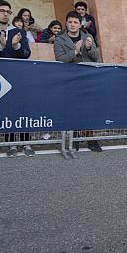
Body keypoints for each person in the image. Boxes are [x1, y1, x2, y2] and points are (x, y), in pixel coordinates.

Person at [0, 0, 33, 156]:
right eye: (2, 11)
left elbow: (26, 55)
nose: (5, 14)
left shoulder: (19, 32)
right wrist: (0, 47)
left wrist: (16, 45)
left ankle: (26, 143)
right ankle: (11, 144)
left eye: (8, 12)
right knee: (7, 111)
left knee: (23, 109)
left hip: (18, 77)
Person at [54, 11, 103, 152]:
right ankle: (74, 139)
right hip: (69, 79)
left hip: (87, 78)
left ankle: (90, 139)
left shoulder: (88, 36)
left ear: (79, 24)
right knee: (73, 108)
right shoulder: (60, 39)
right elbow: (60, 59)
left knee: (88, 108)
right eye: (70, 22)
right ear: (66, 23)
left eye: (75, 22)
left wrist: (88, 48)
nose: (72, 24)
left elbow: (96, 58)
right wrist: (75, 51)